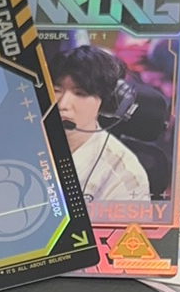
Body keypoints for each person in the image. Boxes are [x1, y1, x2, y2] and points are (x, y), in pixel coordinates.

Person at [48, 45, 150, 205]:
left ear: (107, 103)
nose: (62, 104)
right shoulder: (19, 140)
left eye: (80, 93)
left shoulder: (124, 175)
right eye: (56, 90)